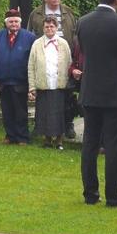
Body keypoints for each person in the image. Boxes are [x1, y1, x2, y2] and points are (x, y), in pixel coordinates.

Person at [75, 0, 117, 207]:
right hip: (115, 94)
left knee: (90, 143)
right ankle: (114, 197)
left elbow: (83, 52)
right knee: (113, 146)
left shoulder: (83, 22)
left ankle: (90, 194)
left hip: (90, 90)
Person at [27, 0, 80, 139]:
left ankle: (68, 124)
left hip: (65, 57)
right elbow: (30, 34)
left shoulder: (68, 13)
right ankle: (41, 126)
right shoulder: (35, 14)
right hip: (43, 55)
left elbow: (75, 35)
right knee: (43, 96)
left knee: (66, 95)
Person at [0, 8, 37, 145]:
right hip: (3, 81)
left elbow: (33, 60)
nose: (14, 24)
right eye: (11, 22)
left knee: (20, 111)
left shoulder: (29, 37)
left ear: (20, 23)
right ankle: (10, 136)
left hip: (20, 80)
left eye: (16, 21)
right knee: (7, 111)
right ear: (6, 23)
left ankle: (22, 137)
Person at [28, 16, 72, 149]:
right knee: (44, 112)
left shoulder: (63, 43)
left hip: (59, 84)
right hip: (43, 84)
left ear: (56, 27)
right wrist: (32, 87)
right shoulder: (37, 44)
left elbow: (69, 62)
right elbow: (31, 65)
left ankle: (59, 140)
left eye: (52, 26)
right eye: (46, 26)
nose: (49, 29)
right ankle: (47, 139)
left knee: (59, 112)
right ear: (43, 28)